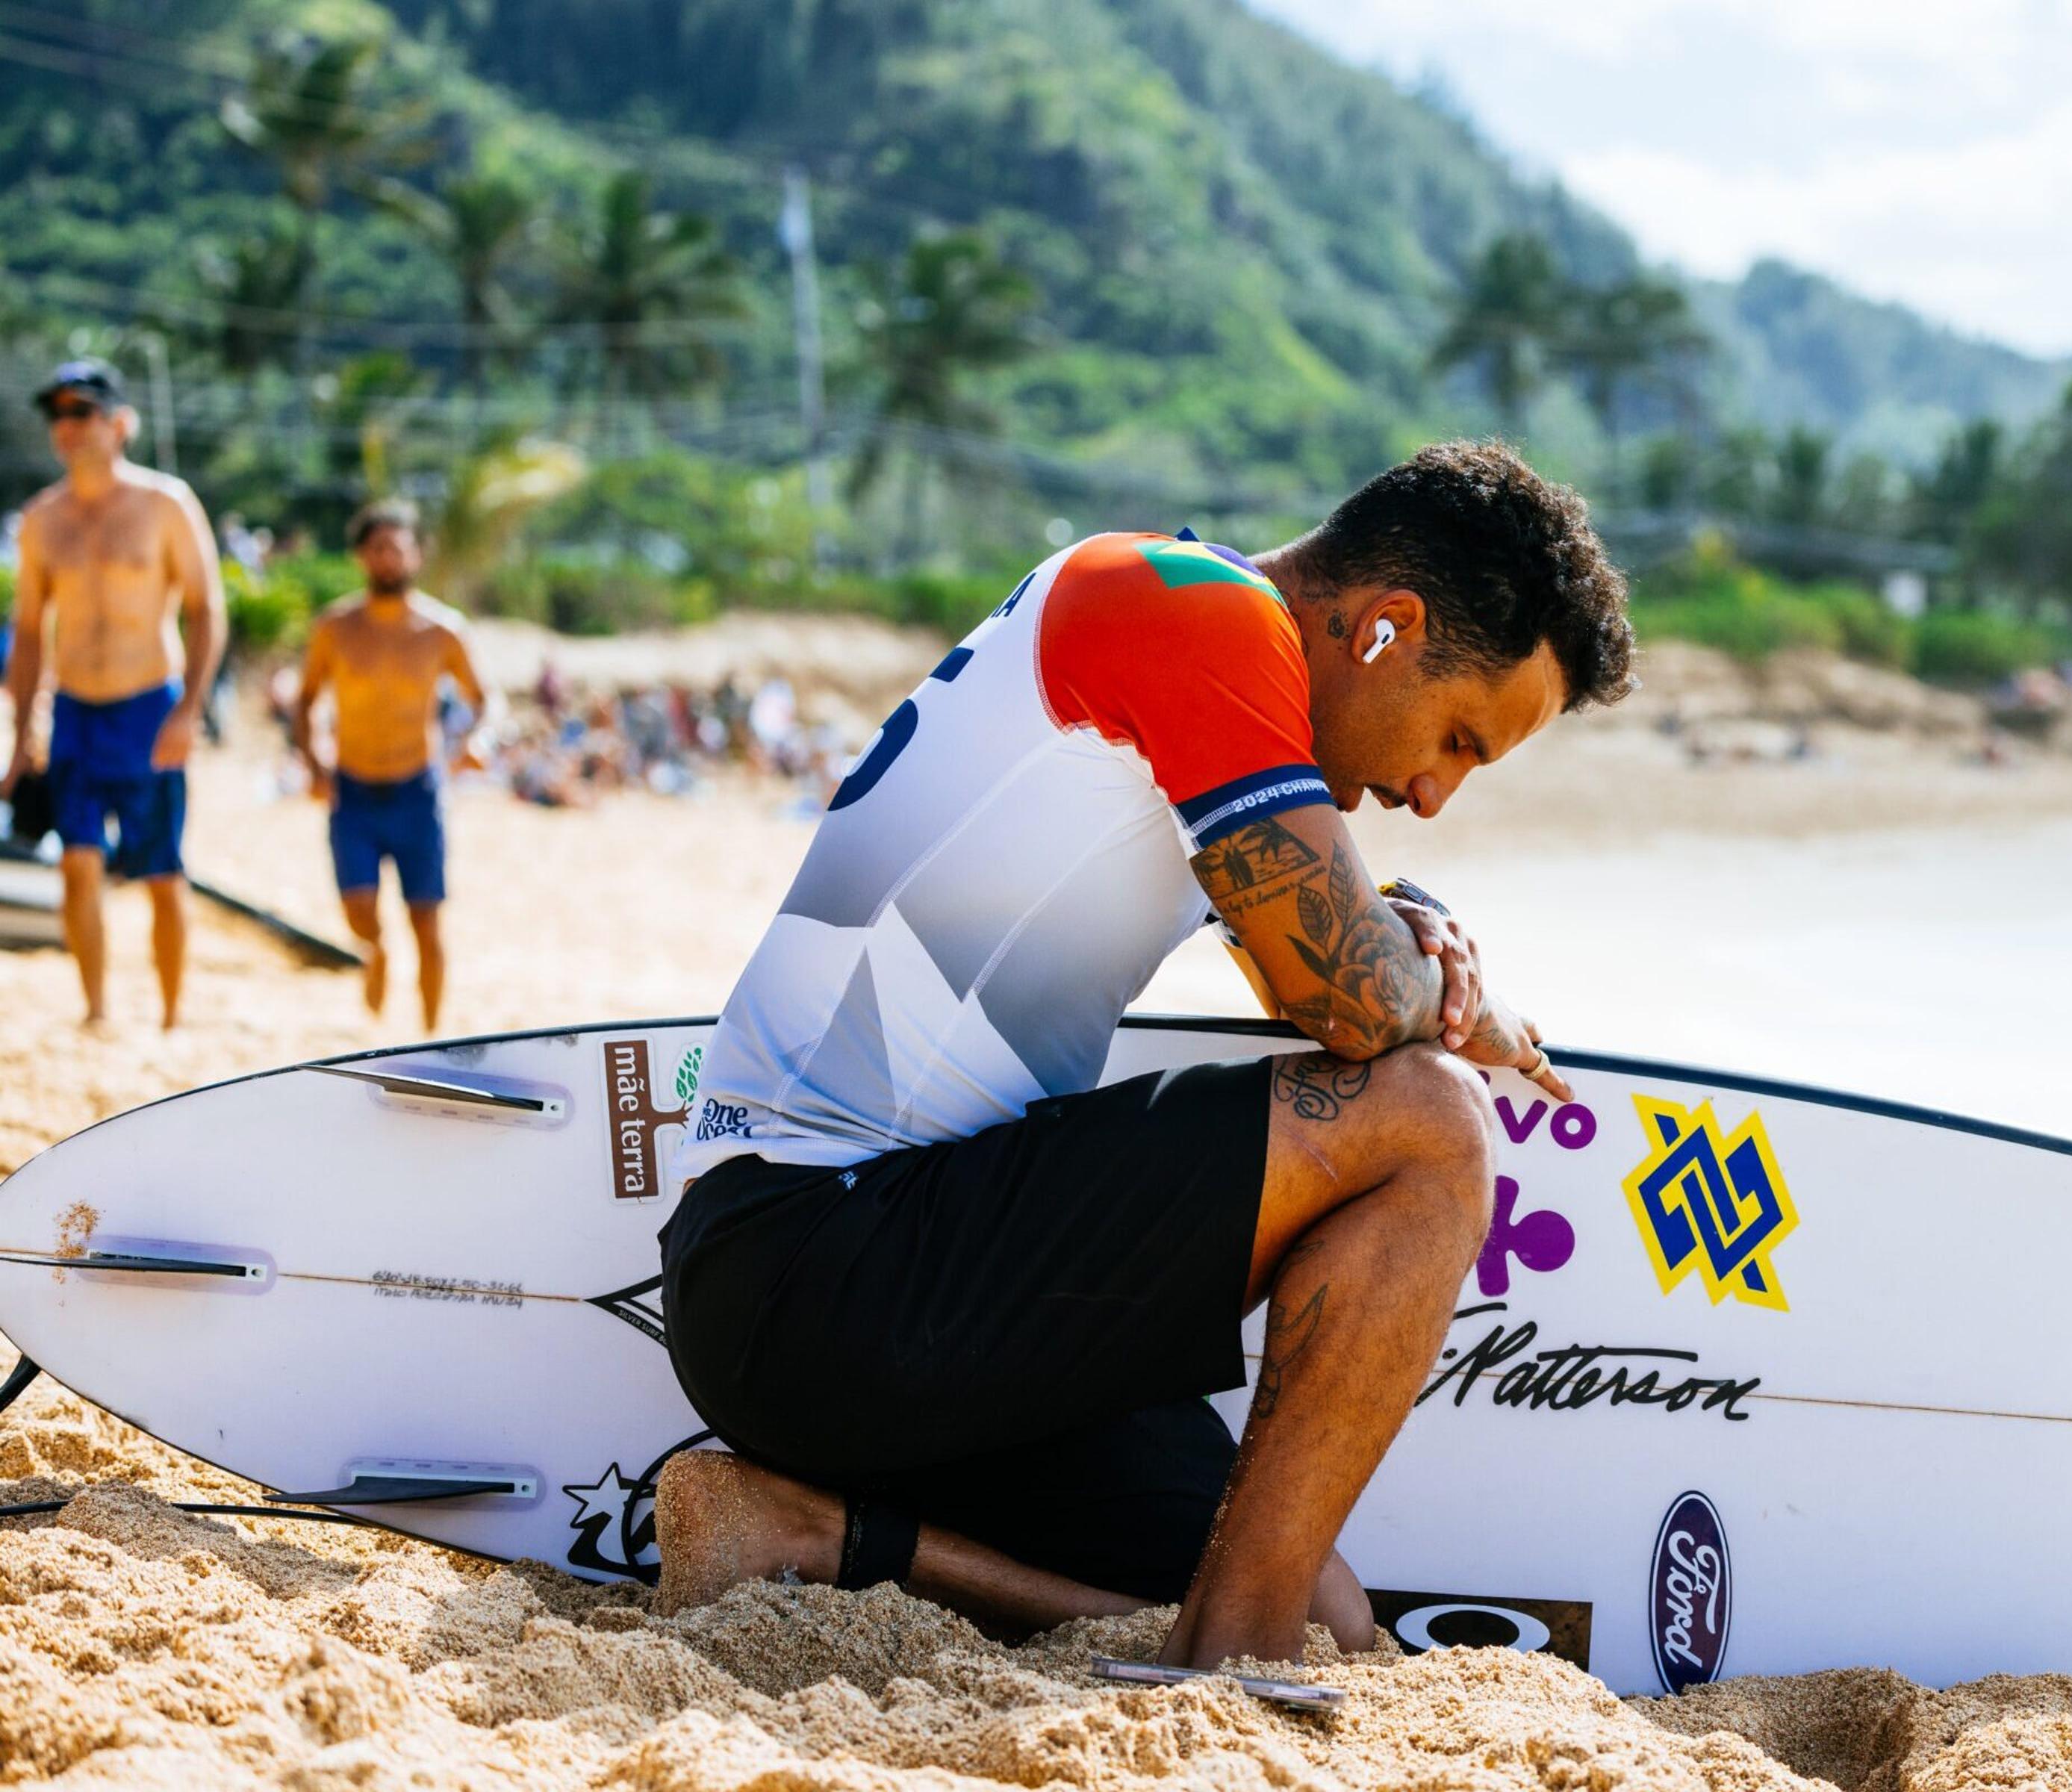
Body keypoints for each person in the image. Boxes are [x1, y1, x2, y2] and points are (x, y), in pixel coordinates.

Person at [649, 441, 1635, 1670]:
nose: (1434, 792)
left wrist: (1406, 922)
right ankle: (1229, 1663)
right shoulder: (1192, 612)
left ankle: (811, 1532)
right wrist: (1451, 999)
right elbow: (1350, 993)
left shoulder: (1209, 674)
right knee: (1431, 1123)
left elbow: (1329, 955)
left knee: (1327, 1616)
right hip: (821, 1249)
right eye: (1460, 740)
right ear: (1387, 628)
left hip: (921, 1292)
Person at [3, 358, 225, 1029]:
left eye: (82, 412)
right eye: (58, 415)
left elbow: (206, 608)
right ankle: (97, 1011)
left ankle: (170, 1014)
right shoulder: (43, 519)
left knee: (161, 871)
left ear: (121, 423)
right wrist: (21, 734)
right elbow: (30, 631)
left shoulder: (165, 504)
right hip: (74, 711)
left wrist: (190, 710)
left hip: (148, 707)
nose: (67, 426)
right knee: (76, 863)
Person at [290, 499, 488, 1030]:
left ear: (416, 556)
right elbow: (305, 699)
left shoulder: (442, 630)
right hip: (352, 788)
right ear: (360, 557)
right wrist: (314, 763)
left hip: (416, 789)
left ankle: (431, 1034)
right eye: (377, 549)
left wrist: (476, 739)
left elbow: (483, 700)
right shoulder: (336, 628)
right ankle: (374, 954)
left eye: (397, 549)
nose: (387, 560)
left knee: (427, 921)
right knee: (359, 913)